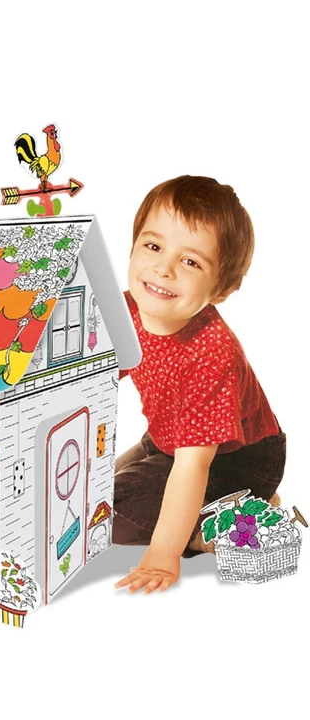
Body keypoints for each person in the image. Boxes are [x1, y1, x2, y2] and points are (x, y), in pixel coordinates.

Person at [112, 175, 286, 595]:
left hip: (238, 457)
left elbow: (193, 465)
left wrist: (164, 553)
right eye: (153, 247)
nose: (164, 269)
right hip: (170, 437)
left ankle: (213, 527)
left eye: (191, 262)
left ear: (221, 289)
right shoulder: (129, 307)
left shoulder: (210, 353)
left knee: (111, 514)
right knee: (101, 485)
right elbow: (98, 368)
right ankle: (232, 502)